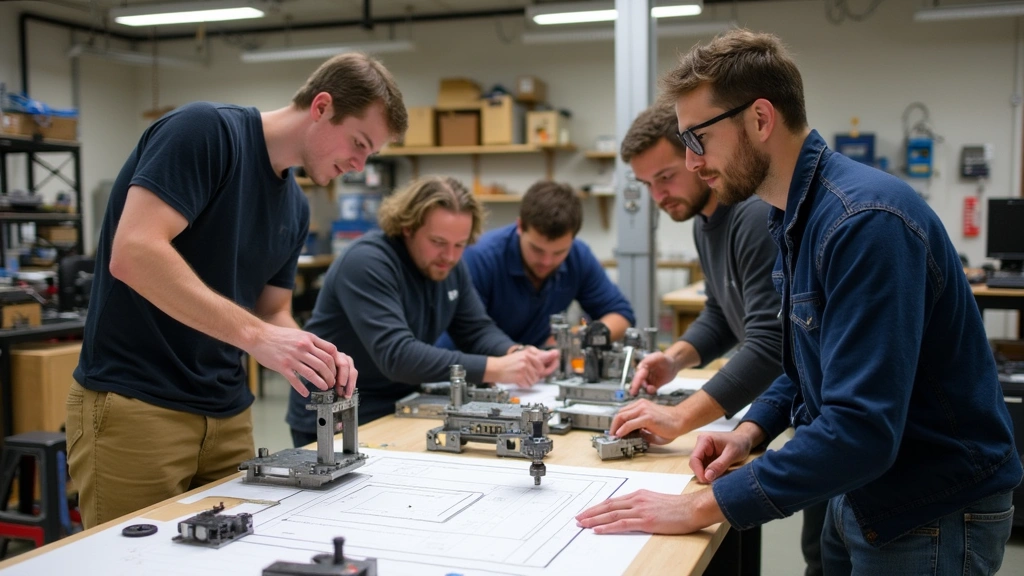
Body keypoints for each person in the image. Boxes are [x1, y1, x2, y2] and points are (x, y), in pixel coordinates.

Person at [577, 29, 1022, 575]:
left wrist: (699, 506)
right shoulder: (792, 216)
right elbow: (807, 357)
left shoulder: (864, 223)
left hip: (927, 508)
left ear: (760, 119)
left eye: (697, 140)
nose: (693, 164)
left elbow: (862, 429)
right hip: (858, 490)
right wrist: (749, 431)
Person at [67, 53, 408, 529]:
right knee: (132, 561)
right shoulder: (206, 133)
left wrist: (313, 352)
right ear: (322, 106)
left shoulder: (295, 206)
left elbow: (273, 311)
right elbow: (134, 252)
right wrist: (256, 336)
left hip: (228, 414)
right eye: (358, 143)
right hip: (139, 404)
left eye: (370, 154)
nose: (358, 163)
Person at [617, 103, 833, 575]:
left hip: (857, 445)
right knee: (821, 557)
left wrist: (680, 417)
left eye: (668, 176)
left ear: (697, 155)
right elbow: (723, 311)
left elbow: (770, 342)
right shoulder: (705, 222)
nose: (659, 195)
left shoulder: (755, 216)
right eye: (648, 184)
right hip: (821, 425)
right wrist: (675, 358)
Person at [286, 176, 560, 445]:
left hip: (401, 407)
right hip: (336, 417)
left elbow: (475, 329)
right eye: (438, 242)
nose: (450, 256)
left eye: (459, 245)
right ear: (408, 227)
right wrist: (496, 368)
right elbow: (398, 356)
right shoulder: (368, 262)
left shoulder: (449, 266)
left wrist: (516, 354)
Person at [439, 181, 634, 349]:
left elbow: (621, 315)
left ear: (573, 238)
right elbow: (472, 334)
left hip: (529, 377)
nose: (546, 261)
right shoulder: (480, 258)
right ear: (520, 226)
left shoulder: (578, 256)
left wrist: (575, 340)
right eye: (537, 250)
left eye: (559, 252)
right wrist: (519, 357)